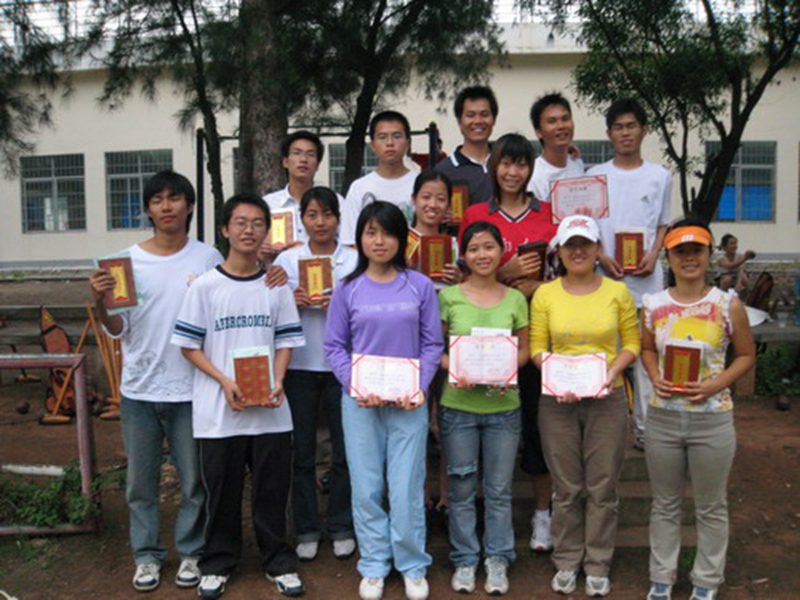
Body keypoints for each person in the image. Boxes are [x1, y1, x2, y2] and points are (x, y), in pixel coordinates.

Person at [89, 170, 222, 593]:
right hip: (139, 389)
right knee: (139, 483)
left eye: (175, 198)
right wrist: (100, 301)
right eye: (158, 200)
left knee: (194, 481)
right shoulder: (124, 263)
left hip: (192, 389)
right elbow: (118, 328)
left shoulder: (208, 259)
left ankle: (192, 552)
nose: (167, 206)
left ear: (190, 206)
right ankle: (146, 556)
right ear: (147, 209)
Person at [171, 194, 306, 599]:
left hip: (270, 412)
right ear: (225, 230)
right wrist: (224, 381)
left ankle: (278, 561)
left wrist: (277, 380)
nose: (249, 230)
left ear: (267, 231)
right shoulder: (205, 287)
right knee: (222, 492)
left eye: (257, 223)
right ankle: (217, 563)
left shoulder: (275, 286)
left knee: (272, 492)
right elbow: (189, 346)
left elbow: (286, 341)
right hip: (219, 413)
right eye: (241, 222)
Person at [324, 201, 443, 600]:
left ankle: (412, 563)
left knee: (407, 485)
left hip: (409, 403)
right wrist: (356, 385)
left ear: (402, 239)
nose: (379, 241)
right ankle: (374, 562)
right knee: (366, 486)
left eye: (388, 233)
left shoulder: (419, 286)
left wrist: (419, 386)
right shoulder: (348, 288)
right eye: (371, 232)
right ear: (359, 238)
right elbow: (334, 346)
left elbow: (432, 343)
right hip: (361, 404)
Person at [641, 218, 755, 600]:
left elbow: (745, 355)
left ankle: (706, 581)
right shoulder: (653, 305)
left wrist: (714, 384)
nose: (689, 258)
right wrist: (654, 375)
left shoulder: (727, 304)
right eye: (680, 252)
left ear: (709, 254)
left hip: (712, 419)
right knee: (665, 504)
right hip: (663, 416)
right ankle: (661, 577)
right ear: (668, 258)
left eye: (697, 250)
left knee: (710, 505)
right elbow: (646, 349)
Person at [458, 132, 558, 554]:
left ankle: (542, 513)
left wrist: (538, 285)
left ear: (530, 168)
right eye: (505, 163)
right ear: (493, 166)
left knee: (536, 427)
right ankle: (481, 512)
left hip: (532, 335)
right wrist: (507, 270)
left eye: (521, 164)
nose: (513, 172)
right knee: (481, 426)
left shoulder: (549, 214)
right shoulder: (475, 214)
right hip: (483, 337)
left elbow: (566, 276)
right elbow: (465, 278)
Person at [530, 215, 640, 598]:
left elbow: (632, 343)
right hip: (557, 400)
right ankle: (566, 560)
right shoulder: (546, 295)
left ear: (597, 249)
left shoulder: (617, 292)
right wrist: (556, 376)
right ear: (559, 251)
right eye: (570, 245)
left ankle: (597, 563)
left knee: (602, 485)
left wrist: (613, 372)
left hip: (607, 397)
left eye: (585, 244)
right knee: (566, 486)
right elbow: (537, 347)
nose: (577, 251)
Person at [438, 221, 529, 596]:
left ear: (501, 251)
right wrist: (456, 368)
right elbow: (434, 348)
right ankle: (464, 558)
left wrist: (504, 369)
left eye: (489, 247)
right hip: (458, 406)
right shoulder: (448, 297)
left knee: (499, 489)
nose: (482, 255)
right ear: (463, 255)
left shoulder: (515, 299)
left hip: (503, 408)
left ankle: (497, 557)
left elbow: (524, 349)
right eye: (474, 248)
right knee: (460, 487)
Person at [273, 187, 358, 562]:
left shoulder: (354, 259)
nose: (320, 222)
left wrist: (340, 303)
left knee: (345, 451)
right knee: (302, 453)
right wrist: (289, 301)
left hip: (343, 368)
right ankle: (307, 528)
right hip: (299, 367)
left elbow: (366, 306)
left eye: (327, 214)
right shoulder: (287, 260)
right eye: (312, 215)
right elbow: (269, 309)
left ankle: (341, 525)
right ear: (301, 219)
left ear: (338, 218)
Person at [589, 97, 672, 450]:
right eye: (619, 127)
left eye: (631, 126)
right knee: (607, 356)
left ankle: (645, 431)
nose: (625, 133)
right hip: (604, 280)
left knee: (646, 356)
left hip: (647, 283)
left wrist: (654, 255)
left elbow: (664, 223)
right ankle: (603, 432)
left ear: (644, 130)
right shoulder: (595, 176)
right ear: (609, 133)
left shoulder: (660, 176)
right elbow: (587, 225)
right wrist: (601, 256)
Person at [340, 111, 418, 245]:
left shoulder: (421, 184)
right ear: (373, 145)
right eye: (382, 137)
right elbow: (350, 241)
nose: (390, 143)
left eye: (397, 136)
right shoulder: (359, 188)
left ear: (408, 143)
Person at [261, 131, 340, 257]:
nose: (303, 160)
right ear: (285, 162)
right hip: (278, 268)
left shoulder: (337, 202)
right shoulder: (268, 204)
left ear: (318, 165)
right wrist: (261, 251)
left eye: (310, 154)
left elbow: (346, 245)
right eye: (297, 153)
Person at [435, 86, 498, 206]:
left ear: (494, 119)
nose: (478, 121)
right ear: (459, 121)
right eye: (470, 115)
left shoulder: (505, 163)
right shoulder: (443, 171)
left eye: (484, 114)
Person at [527, 93, 585, 202]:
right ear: (539, 132)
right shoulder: (533, 176)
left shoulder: (577, 164)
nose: (561, 126)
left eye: (565, 119)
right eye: (552, 121)